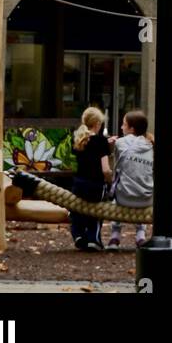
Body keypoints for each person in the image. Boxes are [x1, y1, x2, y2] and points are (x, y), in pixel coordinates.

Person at [106, 109, 153, 250]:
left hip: (124, 199)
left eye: (123, 124)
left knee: (117, 191)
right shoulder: (151, 144)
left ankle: (115, 234)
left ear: (131, 129)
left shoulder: (120, 143)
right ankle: (140, 233)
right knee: (137, 183)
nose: (121, 127)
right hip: (147, 198)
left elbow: (115, 169)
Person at [70, 106, 112, 251]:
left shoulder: (78, 140)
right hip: (96, 187)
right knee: (97, 210)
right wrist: (110, 180)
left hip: (79, 186)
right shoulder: (101, 142)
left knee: (77, 209)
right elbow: (105, 169)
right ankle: (93, 238)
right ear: (98, 124)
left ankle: (78, 234)